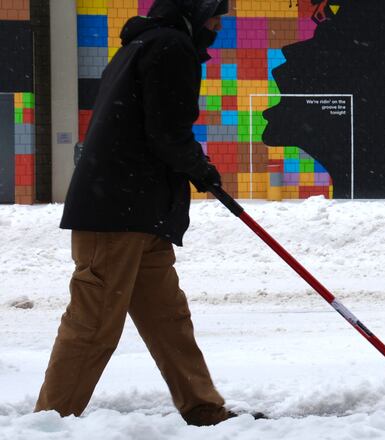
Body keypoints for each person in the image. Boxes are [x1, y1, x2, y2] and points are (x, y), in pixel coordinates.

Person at [36, 0, 245, 426]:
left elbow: (153, 129)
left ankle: (204, 409)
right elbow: (167, 131)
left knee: (169, 320)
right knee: (93, 323)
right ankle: (48, 423)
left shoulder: (143, 45)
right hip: (117, 212)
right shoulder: (170, 47)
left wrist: (190, 170)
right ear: (196, 11)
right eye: (216, 15)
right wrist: (200, 168)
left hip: (139, 210)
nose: (220, 25)